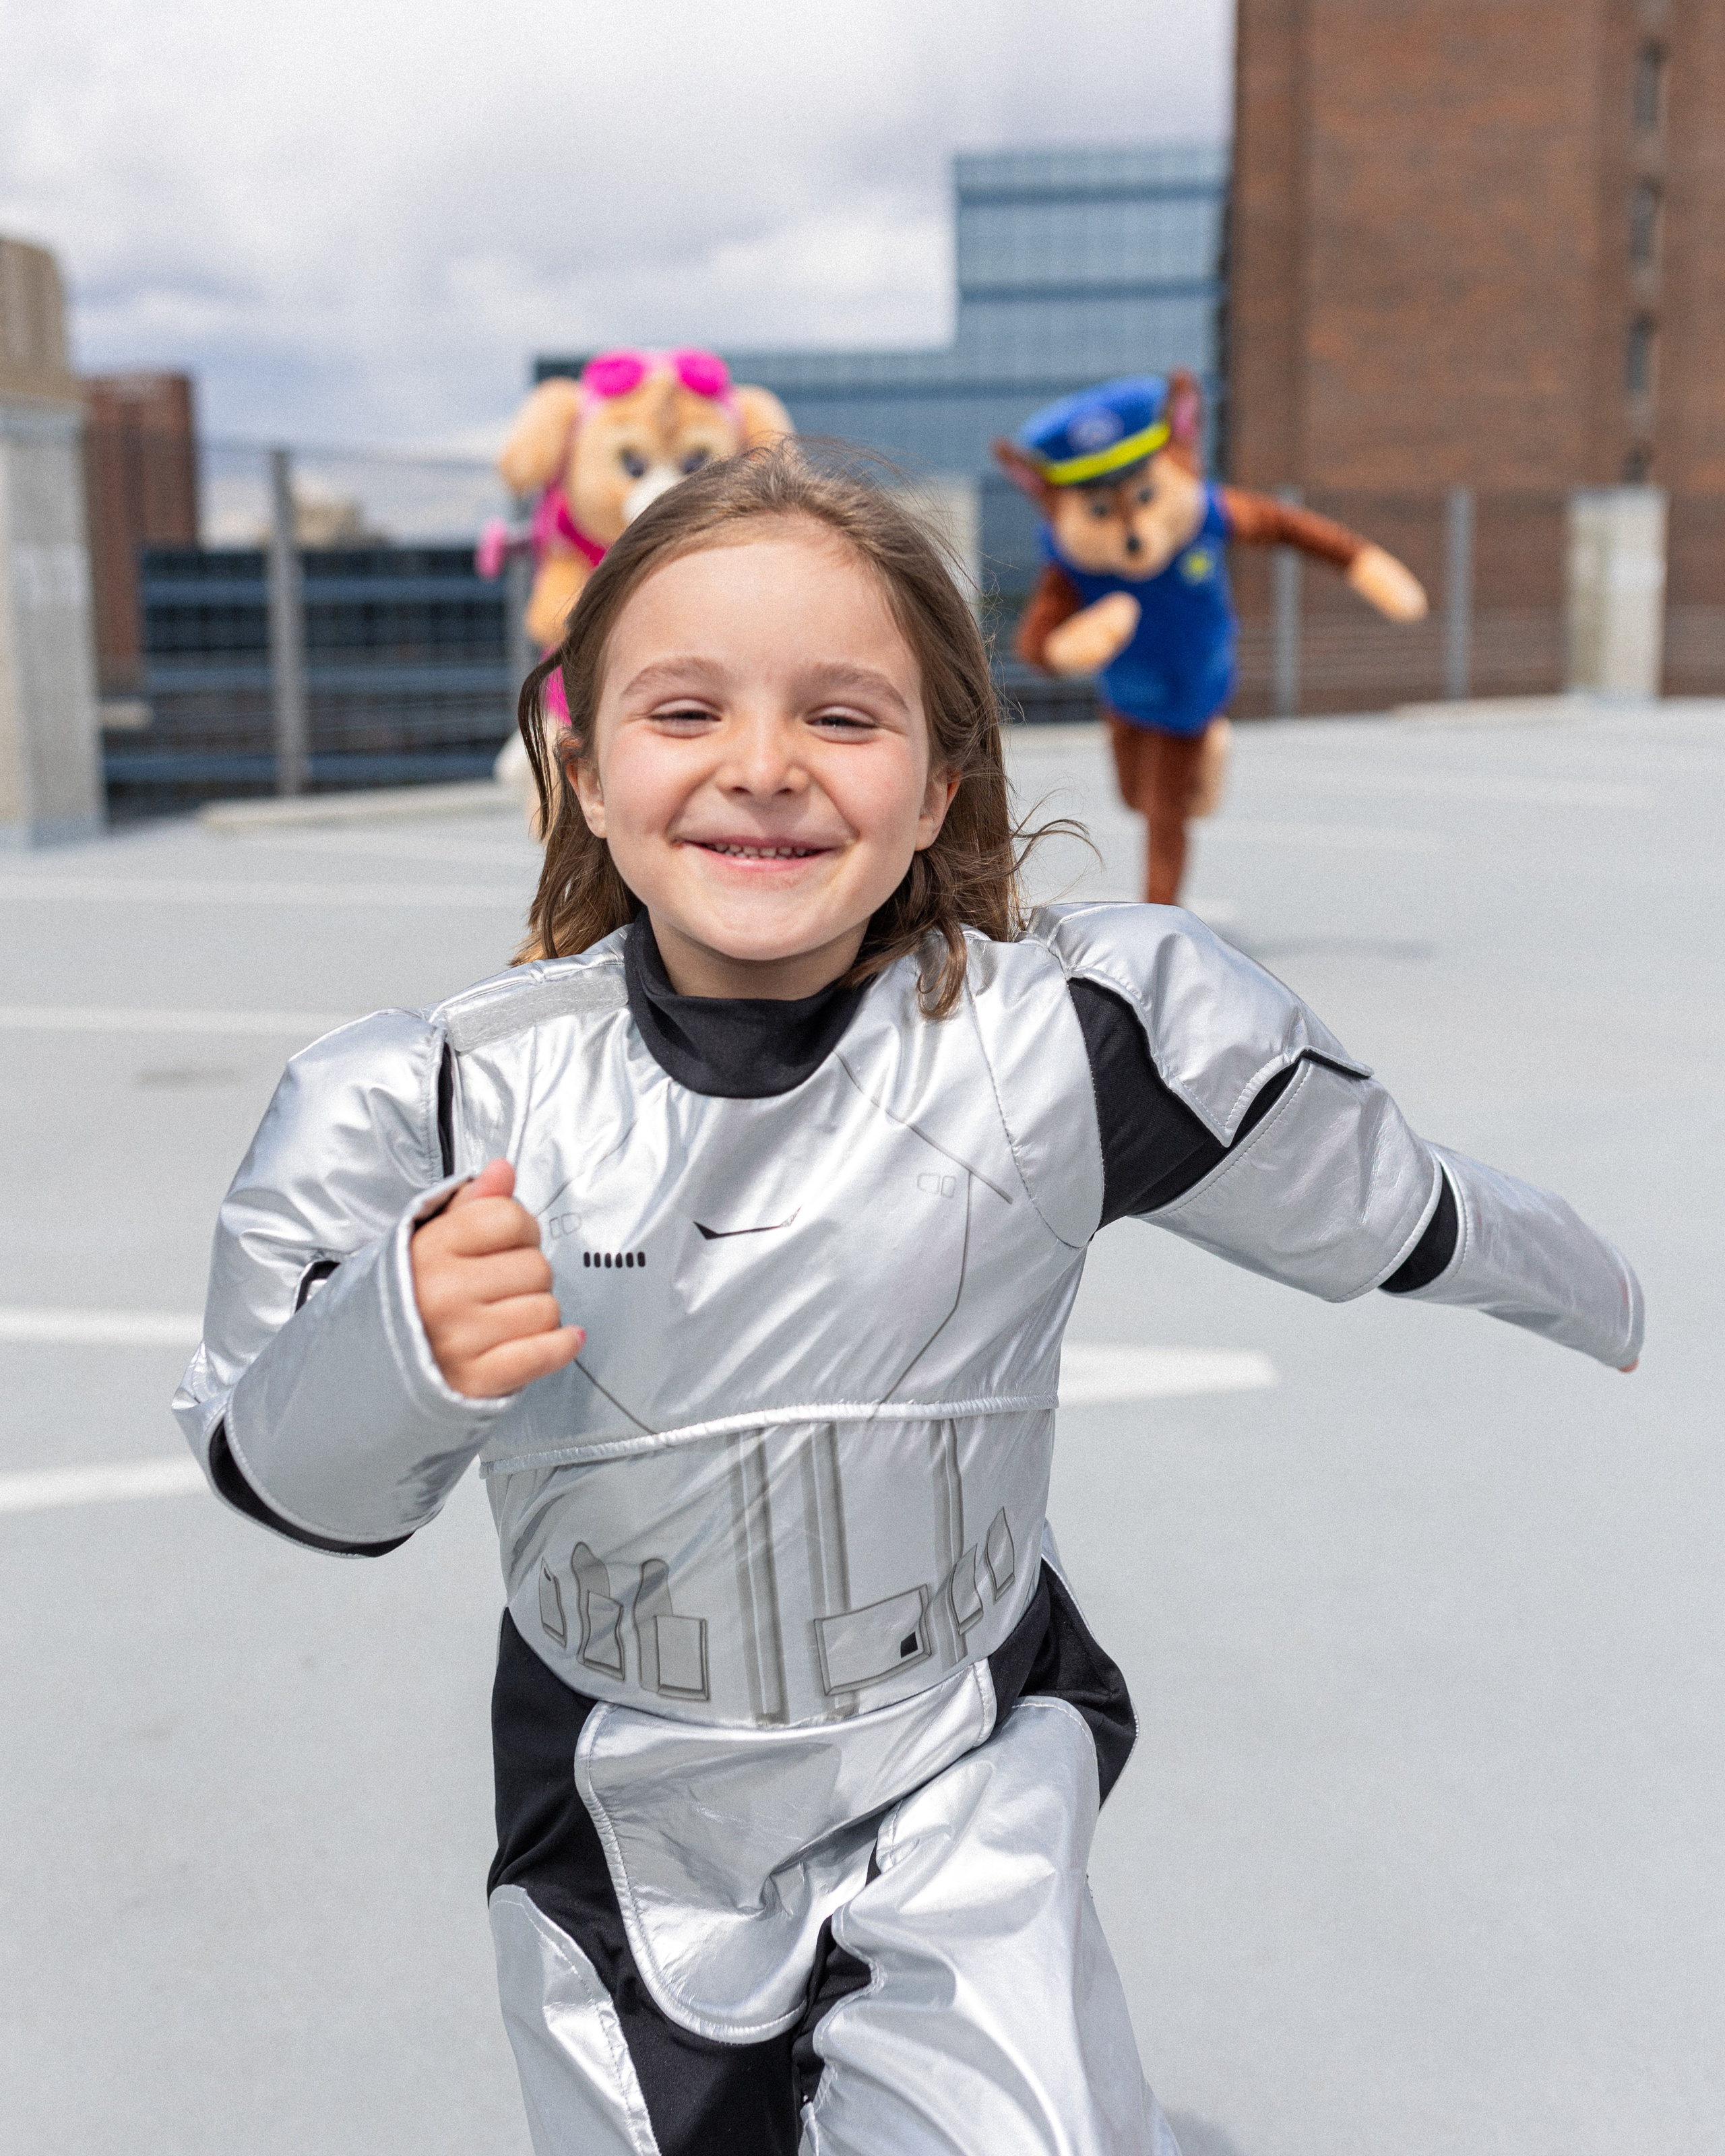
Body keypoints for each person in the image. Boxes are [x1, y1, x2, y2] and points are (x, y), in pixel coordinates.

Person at [173, 444, 1641, 2156]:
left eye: (842, 717)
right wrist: (400, 1345)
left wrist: (1610, 1297)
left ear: (942, 784)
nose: (764, 766)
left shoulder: (1070, 1044)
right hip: (627, 1813)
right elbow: (279, 1474)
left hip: (956, 1752)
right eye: (684, 711)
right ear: (577, 766)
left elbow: (1393, 1204)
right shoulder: (430, 1102)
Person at [995, 372, 1429, 906]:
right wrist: (1073, 645)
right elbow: (1036, 642)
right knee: (1133, 795)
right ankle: (1203, 761)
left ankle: (1159, 917)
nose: (1134, 532)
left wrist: (1368, 566)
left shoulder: (1208, 517)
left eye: (1146, 496)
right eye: (1103, 511)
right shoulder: (1069, 563)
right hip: (1126, 693)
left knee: (1163, 811)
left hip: (1190, 686)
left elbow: (1288, 527)